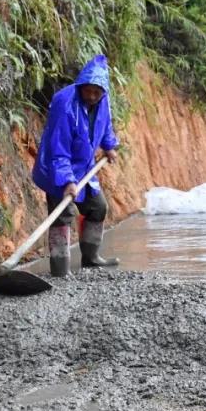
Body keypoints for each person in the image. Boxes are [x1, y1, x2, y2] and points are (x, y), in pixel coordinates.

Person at [32, 54, 121, 277]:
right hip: (55, 166)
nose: (91, 96)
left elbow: (105, 124)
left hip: (84, 167)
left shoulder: (102, 101)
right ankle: (60, 269)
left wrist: (108, 145)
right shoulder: (65, 104)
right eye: (88, 90)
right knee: (62, 214)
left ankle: (91, 258)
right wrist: (67, 180)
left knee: (97, 207)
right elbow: (58, 149)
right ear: (81, 85)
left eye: (97, 92)